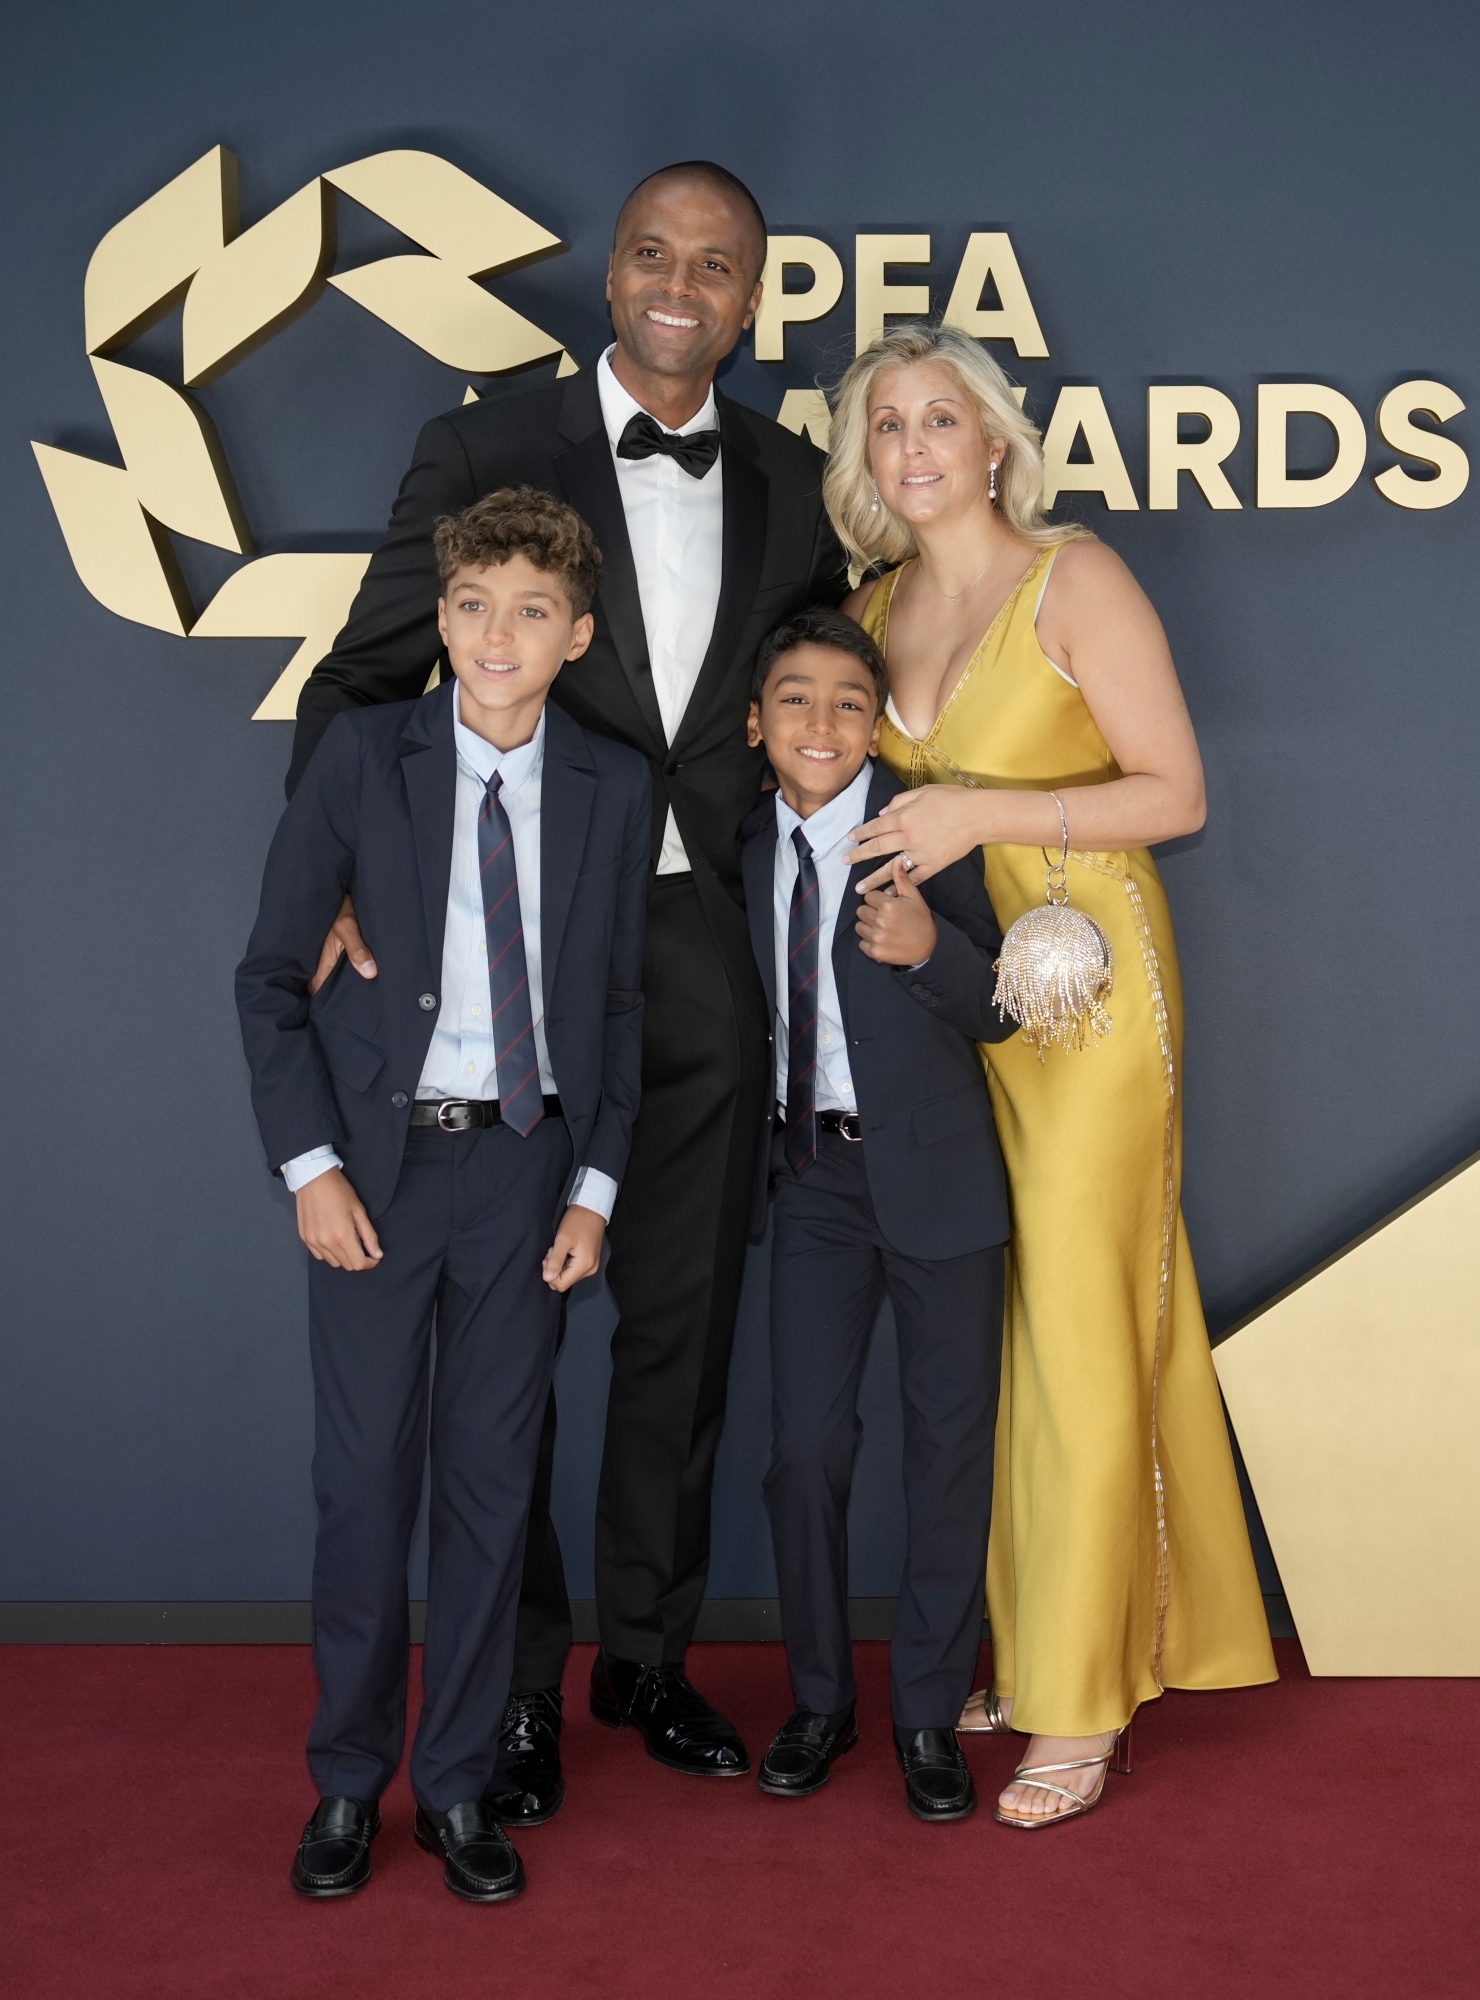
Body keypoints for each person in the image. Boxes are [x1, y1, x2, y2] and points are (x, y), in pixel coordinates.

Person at [285, 160, 847, 1811]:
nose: (684, 283)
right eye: (655, 254)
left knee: (677, 1327)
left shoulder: (798, 481)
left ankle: (649, 1663)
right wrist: (328, 878)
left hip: (703, 956)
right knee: (504, 1345)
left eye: (719, 264)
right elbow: (363, 673)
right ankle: (510, 1688)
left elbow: (829, 700)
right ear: (612, 275)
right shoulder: (487, 447)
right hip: (520, 959)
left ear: (753, 301)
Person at [830, 323, 1276, 1829]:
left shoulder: (1073, 579)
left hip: (1086, 997)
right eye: (885, 424)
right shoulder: (871, 603)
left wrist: (975, 808)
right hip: (955, 1003)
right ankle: (1041, 1648)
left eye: (938, 416)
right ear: (864, 457)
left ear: (996, 438)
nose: (913, 446)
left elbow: (1180, 790)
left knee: (1083, 1325)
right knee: (1003, 1330)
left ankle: (1082, 1712)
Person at [236, 490, 649, 1901]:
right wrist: (310, 1168)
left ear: (576, 635)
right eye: (472, 605)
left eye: (532, 611)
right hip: (379, 1172)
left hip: (527, 1172)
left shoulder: (612, 784)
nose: (496, 634)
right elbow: (267, 981)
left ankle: (461, 1782)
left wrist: (593, 1189)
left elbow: (616, 1006)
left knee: (491, 1488)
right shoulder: (363, 758)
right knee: (362, 1490)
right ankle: (349, 1783)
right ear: (441, 614)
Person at [739, 608, 1016, 1822]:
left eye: (849, 702)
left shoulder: (924, 830)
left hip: (941, 1181)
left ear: (878, 721)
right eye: (794, 699)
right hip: (813, 1186)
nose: (820, 723)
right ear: (756, 722)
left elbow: (1004, 998)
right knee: (804, 1449)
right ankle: (818, 1698)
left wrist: (925, 950)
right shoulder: (735, 843)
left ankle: (925, 1711)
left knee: (948, 1449)